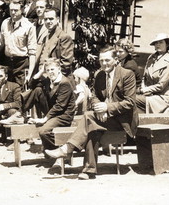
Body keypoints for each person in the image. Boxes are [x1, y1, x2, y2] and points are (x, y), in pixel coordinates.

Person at [45, 45, 137, 180]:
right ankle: (89, 171)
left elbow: (130, 102)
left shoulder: (127, 74)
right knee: (91, 127)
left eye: (107, 60)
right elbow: (93, 96)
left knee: (88, 117)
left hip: (123, 120)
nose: (104, 64)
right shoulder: (100, 75)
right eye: (101, 60)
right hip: (102, 117)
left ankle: (67, 149)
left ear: (116, 59)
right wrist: (99, 107)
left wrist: (107, 107)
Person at [19, 58, 77, 151]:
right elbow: (31, 85)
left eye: (52, 69)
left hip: (63, 115)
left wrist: (44, 119)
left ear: (59, 69)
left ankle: (55, 150)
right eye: (48, 70)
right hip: (52, 112)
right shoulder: (48, 80)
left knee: (43, 131)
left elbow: (60, 106)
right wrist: (41, 71)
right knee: (37, 90)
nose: (50, 72)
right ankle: (19, 115)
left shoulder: (64, 83)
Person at [0, 0, 36, 88]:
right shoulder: (5, 23)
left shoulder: (29, 26)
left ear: (22, 10)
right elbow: (1, 45)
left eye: (16, 10)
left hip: (21, 63)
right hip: (7, 63)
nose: (13, 12)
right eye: (11, 10)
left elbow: (32, 53)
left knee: (21, 91)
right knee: (7, 90)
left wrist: (30, 73)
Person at [136, 33, 169, 113]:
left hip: (159, 98)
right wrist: (143, 88)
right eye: (156, 43)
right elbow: (144, 77)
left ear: (167, 44)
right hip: (146, 94)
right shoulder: (151, 58)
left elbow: (161, 86)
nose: (158, 45)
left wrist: (144, 90)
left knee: (133, 99)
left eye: (161, 42)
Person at [35, 7, 73, 76]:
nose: (48, 21)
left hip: (57, 79)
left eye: (51, 19)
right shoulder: (45, 37)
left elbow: (65, 64)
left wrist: (51, 77)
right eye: (46, 19)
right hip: (44, 77)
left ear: (57, 19)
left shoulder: (64, 37)